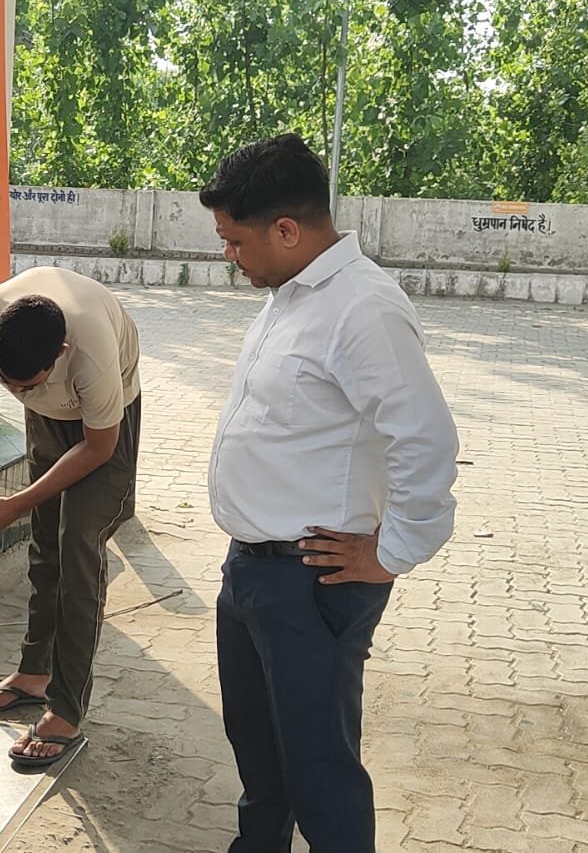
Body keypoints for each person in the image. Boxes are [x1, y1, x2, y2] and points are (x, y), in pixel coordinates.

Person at [202, 135, 459, 852]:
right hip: (252, 571)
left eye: (235, 240)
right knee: (261, 767)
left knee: (320, 777)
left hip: (311, 580)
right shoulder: (290, 296)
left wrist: (394, 551)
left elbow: (425, 439)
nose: (229, 255)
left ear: (286, 230)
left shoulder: (362, 308)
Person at [0, 267, 141, 767]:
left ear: (60, 353)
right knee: (46, 543)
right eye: (10, 386)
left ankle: (66, 710)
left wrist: (17, 501)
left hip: (104, 423)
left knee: (78, 542)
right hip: (57, 410)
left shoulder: (92, 350)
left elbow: (99, 447)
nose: (19, 394)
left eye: (27, 386)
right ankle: (34, 675)